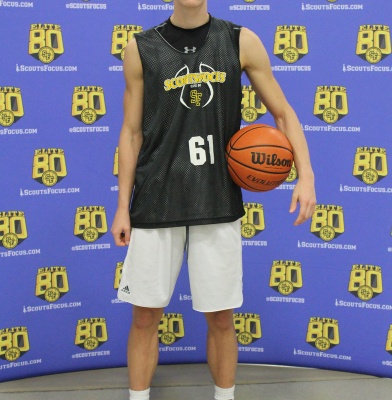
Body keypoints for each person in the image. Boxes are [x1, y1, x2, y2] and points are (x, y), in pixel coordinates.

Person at [111, 1, 316, 399]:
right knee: (145, 317)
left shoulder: (240, 41)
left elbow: (283, 113)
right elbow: (131, 133)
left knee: (221, 317)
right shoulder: (140, 48)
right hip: (156, 198)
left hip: (216, 198)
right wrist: (122, 206)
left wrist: (305, 175)